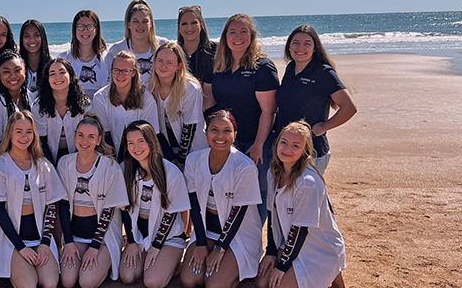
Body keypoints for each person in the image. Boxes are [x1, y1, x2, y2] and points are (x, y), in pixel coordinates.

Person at [255, 121, 346, 288]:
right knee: (262, 284)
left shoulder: (308, 182)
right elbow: (272, 217)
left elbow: (301, 230)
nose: (287, 149)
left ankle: (331, 270)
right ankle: (295, 269)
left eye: (296, 146)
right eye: (284, 142)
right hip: (292, 242)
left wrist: (282, 266)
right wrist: (271, 252)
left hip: (317, 247)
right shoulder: (273, 173)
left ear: (305, 150)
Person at [203, 13, 278, 220]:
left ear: (251, 35)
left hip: (255, 140)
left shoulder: (262, 67)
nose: (238, 37)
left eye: (243, 31)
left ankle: (255, 235)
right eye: (232, 32)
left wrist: (258, 145)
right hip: (226, 140)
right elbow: (207, 100)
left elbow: (269, 110)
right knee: (228, 188)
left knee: (259, 191)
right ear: (225, 37)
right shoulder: (217, 65)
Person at [180, 110, 263, 288]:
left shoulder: (245, 166)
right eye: (214, 130)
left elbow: (238, 212)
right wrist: (200, 243)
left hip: (237, 235)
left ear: (235, 134)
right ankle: (216, 261)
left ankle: (234, 269)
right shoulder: (193, 160)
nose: (220, 136)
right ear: (206, 133)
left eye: (227, 131)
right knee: (189, 281)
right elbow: (194, 204)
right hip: (207, 231)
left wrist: (220, 248)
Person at [0, 111, 67, 288]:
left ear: (35, 134)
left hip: (39, 237)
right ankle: (17, 266)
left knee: (50, 285)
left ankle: (34, 263)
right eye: (19, 131)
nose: (24, 136)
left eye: (29, 131)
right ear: (9, 134)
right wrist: (20, 247)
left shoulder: (43, 165)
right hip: (12, 241)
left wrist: (45, 243)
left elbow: (52, 207)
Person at [57, 114, 129, 288]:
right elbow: (63, 206)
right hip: (76, 236)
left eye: (91, 136)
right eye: (80, 135)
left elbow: (109, 210)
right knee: (67, 281)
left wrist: (95, 246)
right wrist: (69, 241)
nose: (84, 140)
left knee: (86, 283)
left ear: (98, 139)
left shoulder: (109, 165)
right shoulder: (64, 163)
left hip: (103, 238)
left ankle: (107, 260)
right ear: (74, 136)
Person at [275, 25, 357, 173]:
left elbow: (349, 108)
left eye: (307, 43)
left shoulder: (323, 72)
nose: (300, 47)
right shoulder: (290, 68)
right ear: (289, 47)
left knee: (310, 193)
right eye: (296, 42)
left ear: (314, 48)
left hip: (312, 150)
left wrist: (324, 127)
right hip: (286, 148)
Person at [119, 121, 190, 288]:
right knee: (127, 276)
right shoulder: (125, 169)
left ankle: (172, 261)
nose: (136, 147)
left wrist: (157, 245)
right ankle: (150, 258)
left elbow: (172, 214)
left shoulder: (171, 172)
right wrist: (131, 241)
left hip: (167, 237)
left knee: (152, 282)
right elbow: (124, 210)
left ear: (151, 141)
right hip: (139, 235)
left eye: (141, 141)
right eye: (131, 143)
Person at [0, 49, 42, 166]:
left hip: (18, 156)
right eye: (6, 72)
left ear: (25, 72)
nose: (13, 76)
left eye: (17, 70)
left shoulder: (28, 95)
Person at [90, 50, 159, 156]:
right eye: (116, 70)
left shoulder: (147, 99)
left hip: (140, 154)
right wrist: (114, 165)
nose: (120, 75)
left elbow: (149, 137)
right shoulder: (100, 98)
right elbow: (105, 136)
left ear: (133, 73)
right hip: (110, 155)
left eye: (125, 71)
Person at [148, 41, 206, 164]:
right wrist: (169, 158)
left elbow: (189, 127)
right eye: (160, 61)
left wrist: (180, 161)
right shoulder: (147, 88)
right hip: (166, 152)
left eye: (170, 62)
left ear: (178, 66)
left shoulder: (190, 88)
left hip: (192, 151)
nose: (163, 66)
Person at [36, 57, 89, 165]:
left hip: (80, 155)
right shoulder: (38, 106)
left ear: (70, 76)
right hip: (48, 158)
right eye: (52, 74)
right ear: (47, 79)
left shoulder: (85, 104)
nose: (57, 77)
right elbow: (41, 141)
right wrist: (51, 167)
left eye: (62, 72)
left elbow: (88, 136)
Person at [106, 0, 169, 84]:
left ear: (151, 23)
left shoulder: (163, 45)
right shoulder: (116, 50)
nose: (140, 26)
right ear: (128, 24)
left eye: (145, 21)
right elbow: (109, 84)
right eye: (136, 21)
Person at [59, 10, 109, 98]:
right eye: (80, 26)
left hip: (100, 108)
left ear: (96, 30)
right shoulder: (64, 59)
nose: (85, 30)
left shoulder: (107, 58)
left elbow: (110, 91)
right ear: (75, 29)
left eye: (90, 26)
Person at [177, 5, 217, 83]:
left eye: (194, 23)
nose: (189, 28)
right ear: (179, 27)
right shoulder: (174, 53)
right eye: (184, 24)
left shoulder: (216, 51)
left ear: (201, 25)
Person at [19, 19, 52, 94]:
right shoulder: (16, 65)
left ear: (43, 37)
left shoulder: (52, 64)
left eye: (36, 35)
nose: (32, 40)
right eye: (27, 36)